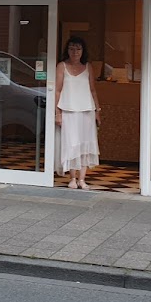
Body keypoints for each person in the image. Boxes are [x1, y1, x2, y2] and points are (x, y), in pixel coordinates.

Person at [55, 36, 101, 189]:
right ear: (67, 50)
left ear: (83, 51)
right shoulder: (62, 66)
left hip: (87, 110)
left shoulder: (88, 67)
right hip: (68, 110)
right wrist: (57, 113)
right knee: (71, 144)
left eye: (78, 49)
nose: (75, 52)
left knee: (85, 144)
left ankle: (82, 179)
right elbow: (57, 90)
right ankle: (72, 178)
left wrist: (97, 110)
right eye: (71, 48)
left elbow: (93, 90)